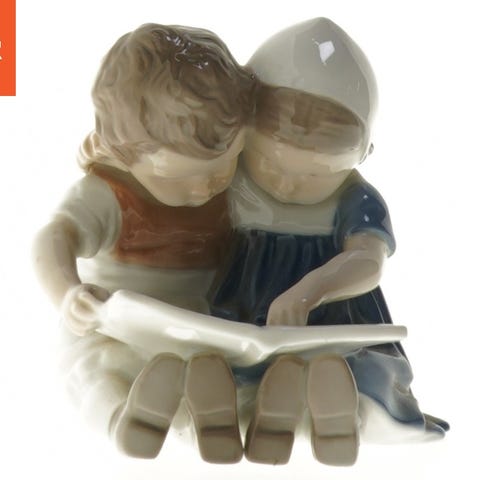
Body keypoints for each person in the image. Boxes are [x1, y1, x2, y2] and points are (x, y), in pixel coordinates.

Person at [209, 18, 448, 466]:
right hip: (246, 313)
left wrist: (311, 290)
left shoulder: (355, 198)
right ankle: (266, 410)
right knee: (231, 362)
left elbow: (368, 260)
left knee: (351, 364)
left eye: (318, 174)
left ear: (362, 156)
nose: (287, 184)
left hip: (332, 316)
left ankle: (331, 402)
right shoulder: (228, 178)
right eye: (268, 161)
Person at [33, 23, 255, 463]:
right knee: (95, 370)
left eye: (223, 165)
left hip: (201, 327)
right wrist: (68, 293)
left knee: (218, 371)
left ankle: (214, 423)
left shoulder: (238, 191)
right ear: (124, 154)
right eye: (177, 176)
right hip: (116, 324)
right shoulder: (110, 193)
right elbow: (52, 238)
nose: (204, 188)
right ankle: (125, 419)